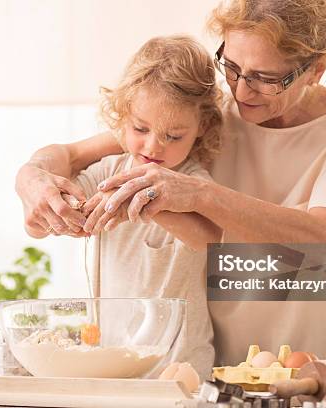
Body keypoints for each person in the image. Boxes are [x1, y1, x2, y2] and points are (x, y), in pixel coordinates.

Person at [16, 0, 326, 366]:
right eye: (233, 67)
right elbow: (72, 154)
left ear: (316, 69)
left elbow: (324, 239)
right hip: (222, 361)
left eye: (267, 79)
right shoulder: (205, 116)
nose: (242, 92)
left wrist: (200, 194)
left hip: (319, 353)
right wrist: (31, 179)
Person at [62, 35, 223, 377]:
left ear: (202, 127)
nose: (153, 146)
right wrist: (69, 209)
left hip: (181, 368)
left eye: (173, 136)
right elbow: (43, 222)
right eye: (140, 128)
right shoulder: (109, 171)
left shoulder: (195, 183)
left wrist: (145, 203)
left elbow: (210, 237)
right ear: (122, 117)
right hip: (112, 361)